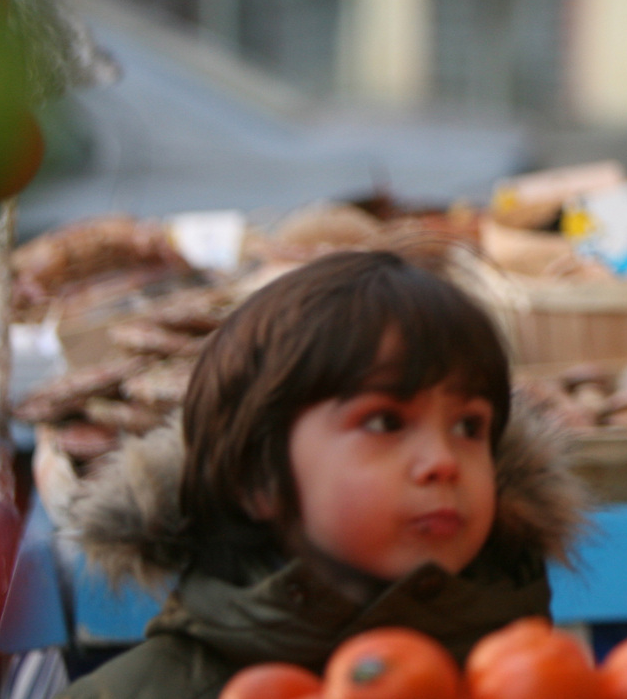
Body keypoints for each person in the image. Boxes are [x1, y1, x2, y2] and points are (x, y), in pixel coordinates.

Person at [64, 251, 586, 699]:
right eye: (386, 422)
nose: (444, 461)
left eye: (469, 427)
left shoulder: (544, 678)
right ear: (258, 479)